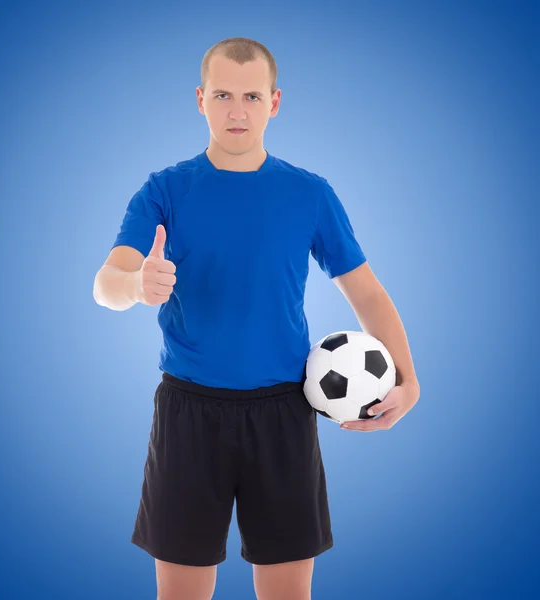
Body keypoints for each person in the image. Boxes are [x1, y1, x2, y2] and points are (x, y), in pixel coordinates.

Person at [94, 37, 420, 600]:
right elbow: (107, 282)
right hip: (188, 411)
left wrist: (408, 380)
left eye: (251, 95)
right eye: (222, 94)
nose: (236, 110)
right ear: (201, 99)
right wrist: (135, 285)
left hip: (283, 412)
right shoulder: (165, 190)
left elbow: (365, 291)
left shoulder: (309, 194)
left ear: (274, 102)